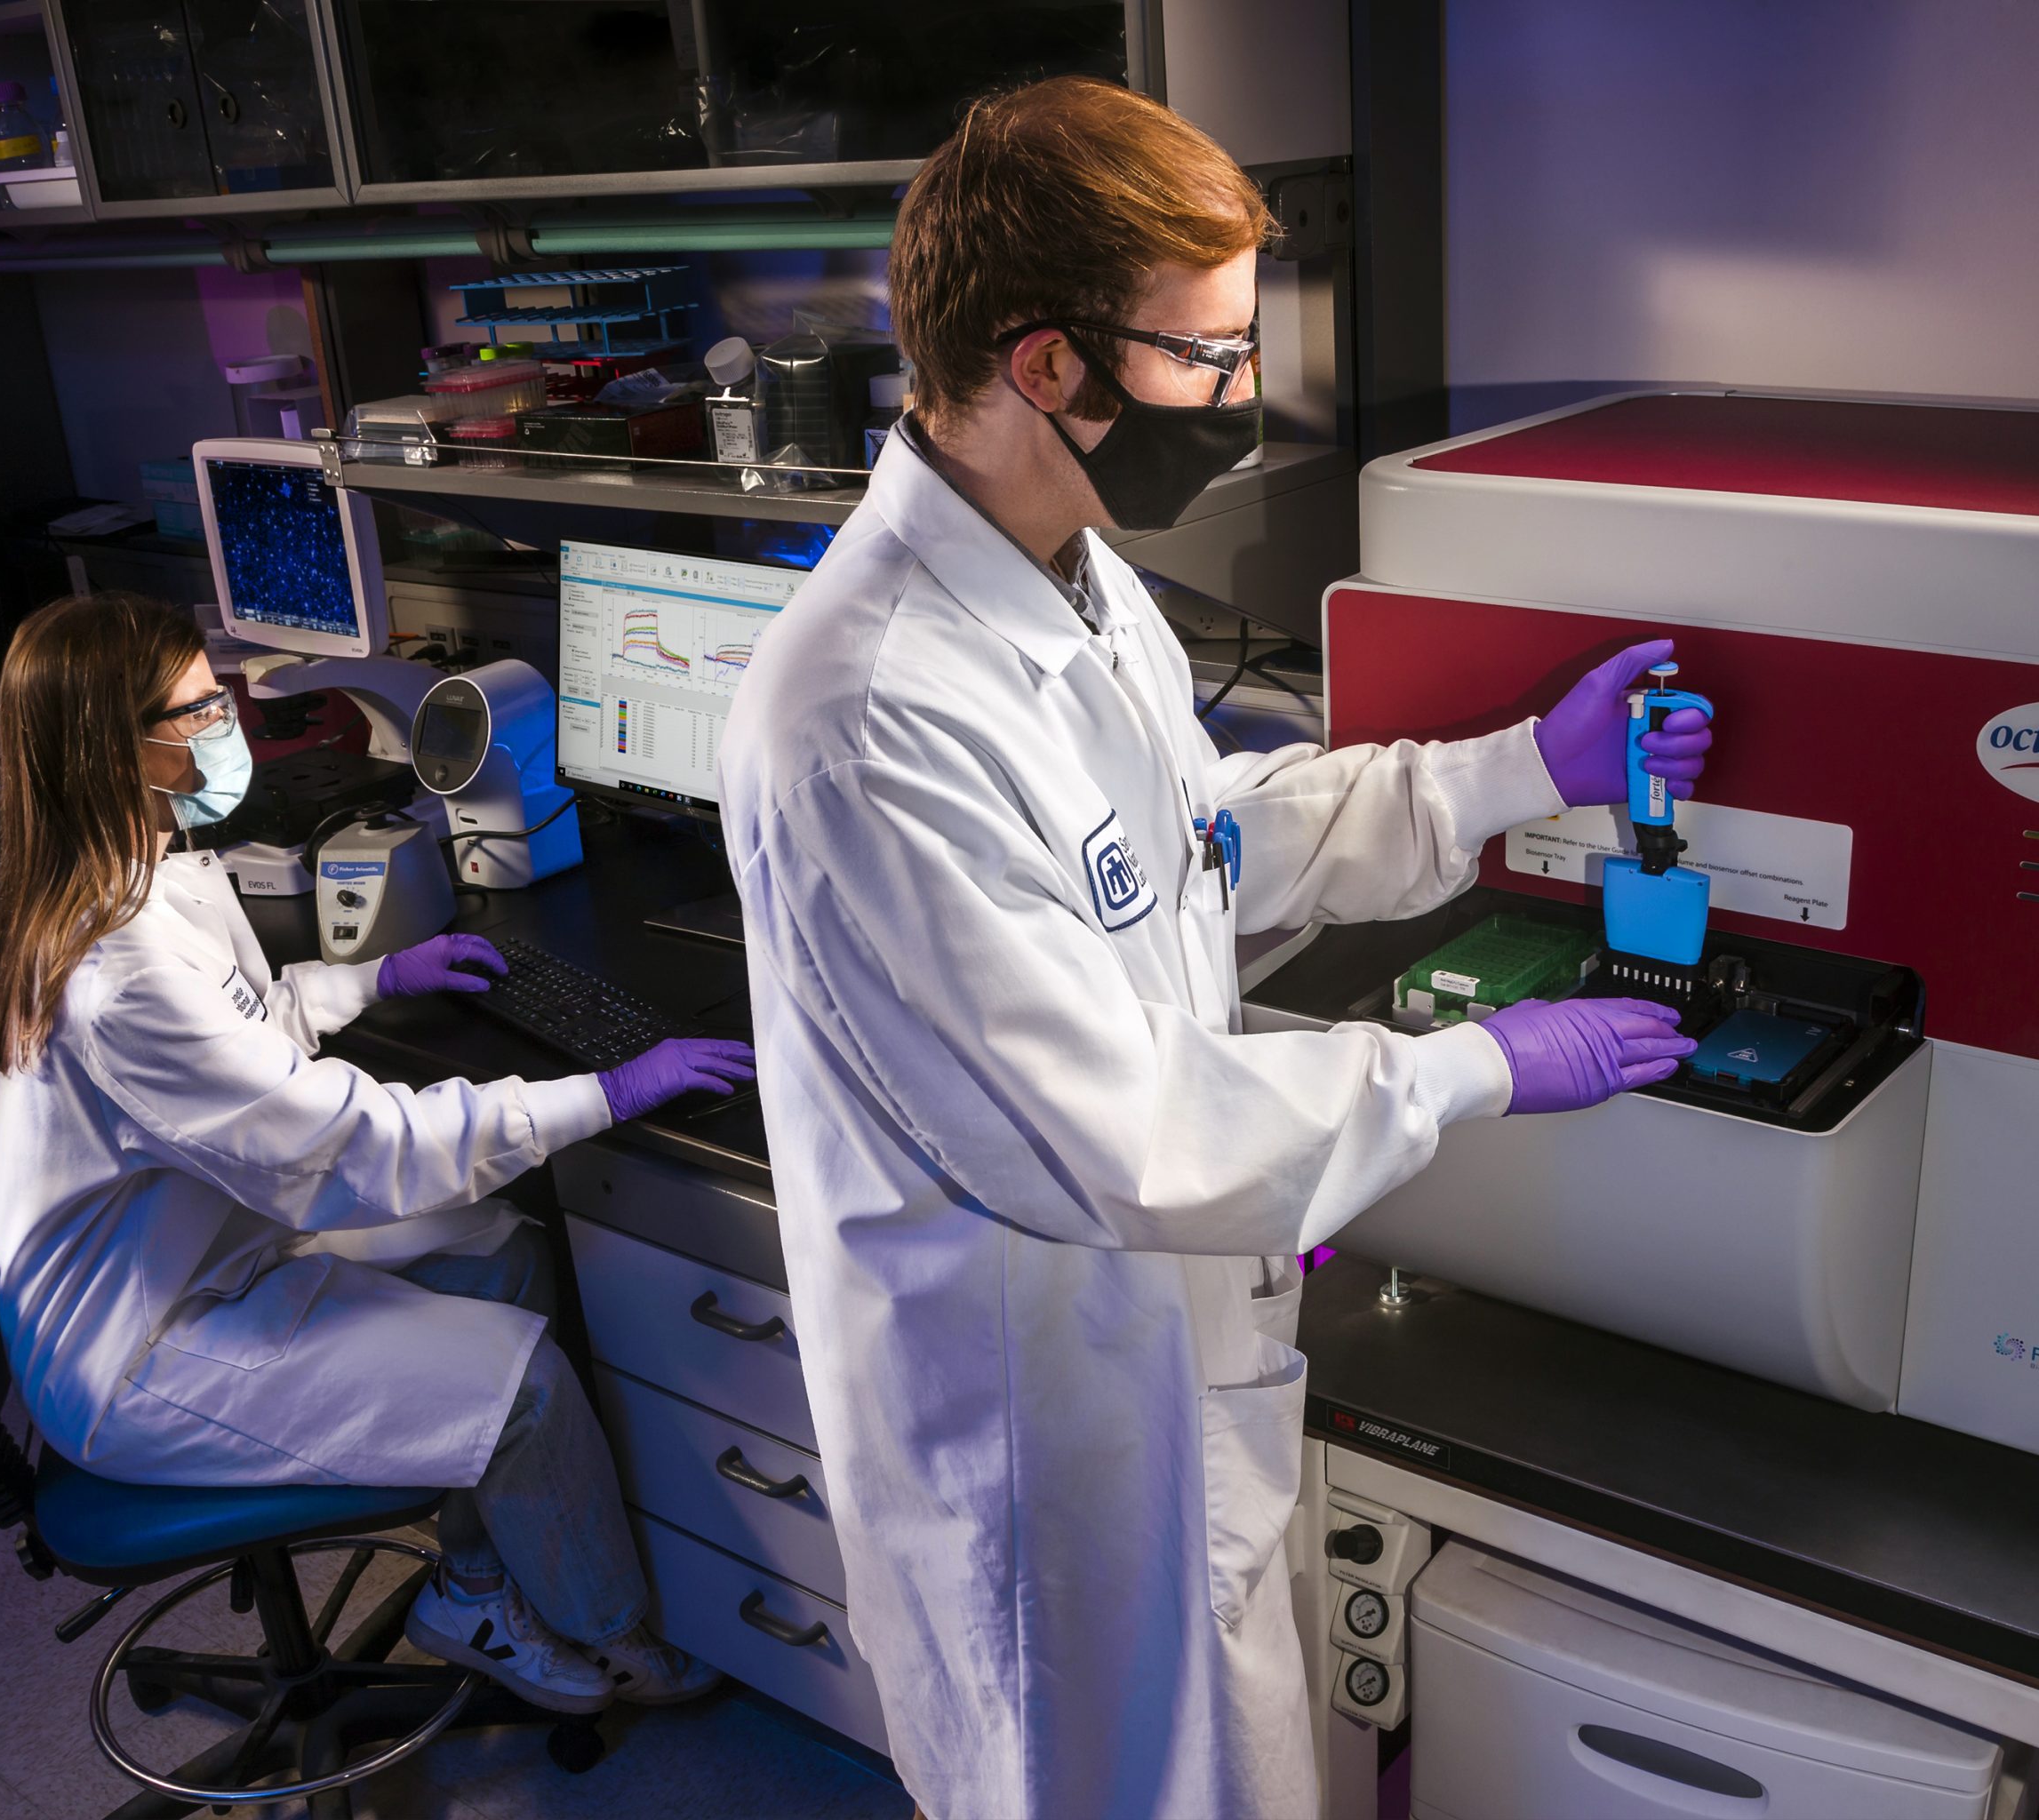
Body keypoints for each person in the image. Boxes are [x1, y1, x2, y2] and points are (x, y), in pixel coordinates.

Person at [716, 78, 1712, 1820]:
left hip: (1172, 1370)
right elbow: (1126, 1130)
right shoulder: (865, 713)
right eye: (1207, 357)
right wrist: (1476, 1063)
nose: (1243, 399)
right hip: (1046, 1449)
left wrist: (1506, 775)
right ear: (1045, 366)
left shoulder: (1075, 583)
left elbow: (1197, 845)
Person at [0, 592, 756, 1715]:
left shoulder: (134, 877)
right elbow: (354, 1144)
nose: (228, 723)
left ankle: (473, 1581)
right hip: (145, 1347)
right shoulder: (119, 971)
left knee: (498, 1249)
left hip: (205, 1249)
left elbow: (233, 1050)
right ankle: (614, 1630)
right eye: (198, 708)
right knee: (523, 1386)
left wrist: (369, 981)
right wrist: (606, 1089)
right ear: (116, 750)